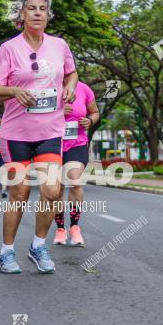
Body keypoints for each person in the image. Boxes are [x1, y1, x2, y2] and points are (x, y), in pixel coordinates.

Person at [0, 0, 78, 274]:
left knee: (51, 191)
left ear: (48, 16)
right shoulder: (9, 49)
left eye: (42, 9)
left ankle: (39, 246)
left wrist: (70, 85)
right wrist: (14, 90)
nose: (38, 13)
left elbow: (71, 72)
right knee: (20, 192)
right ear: (21, 15)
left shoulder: (59, 46)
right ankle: (6, 253)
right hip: (16, 135)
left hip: (50, 131)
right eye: (31, 9)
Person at [54, 81, 100, 247]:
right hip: (51, 144)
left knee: (75, 181)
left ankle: (74, 226)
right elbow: (31, 115)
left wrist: (90, 120)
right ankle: (60, 229)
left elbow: (95, 112)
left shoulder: (84, 88)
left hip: (77, 143)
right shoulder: (47, 85)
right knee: (56, 188)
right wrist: (57, 112)